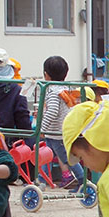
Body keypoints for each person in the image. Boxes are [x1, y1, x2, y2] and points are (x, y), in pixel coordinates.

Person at [40, 55, 85, 190]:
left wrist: (42, 128)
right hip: (56, 133)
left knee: (66, 158)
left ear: (46, 75)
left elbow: (52, 111)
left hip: (56, 133)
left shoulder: (53, 91)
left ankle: (83, 181)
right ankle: (42, 179)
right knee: (44, 155)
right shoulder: (63, 88)